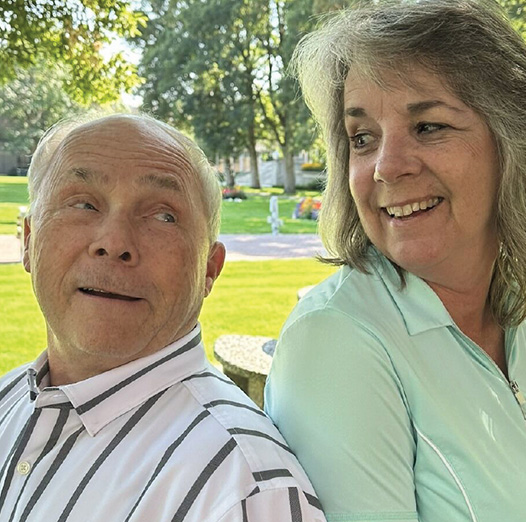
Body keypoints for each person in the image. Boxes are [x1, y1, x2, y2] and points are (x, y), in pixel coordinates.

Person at [264, 1, 526, 521]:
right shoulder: (336, 342)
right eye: (362, 138)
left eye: (428, 126)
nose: (387, 167)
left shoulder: (520, 297)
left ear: (512, 143)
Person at [0, 113, 325, 521]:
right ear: (29, 241)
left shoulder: (241, 492)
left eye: (163, 216)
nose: (115, 242)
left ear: (210, 269)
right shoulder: (9, 397)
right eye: (83, 203)